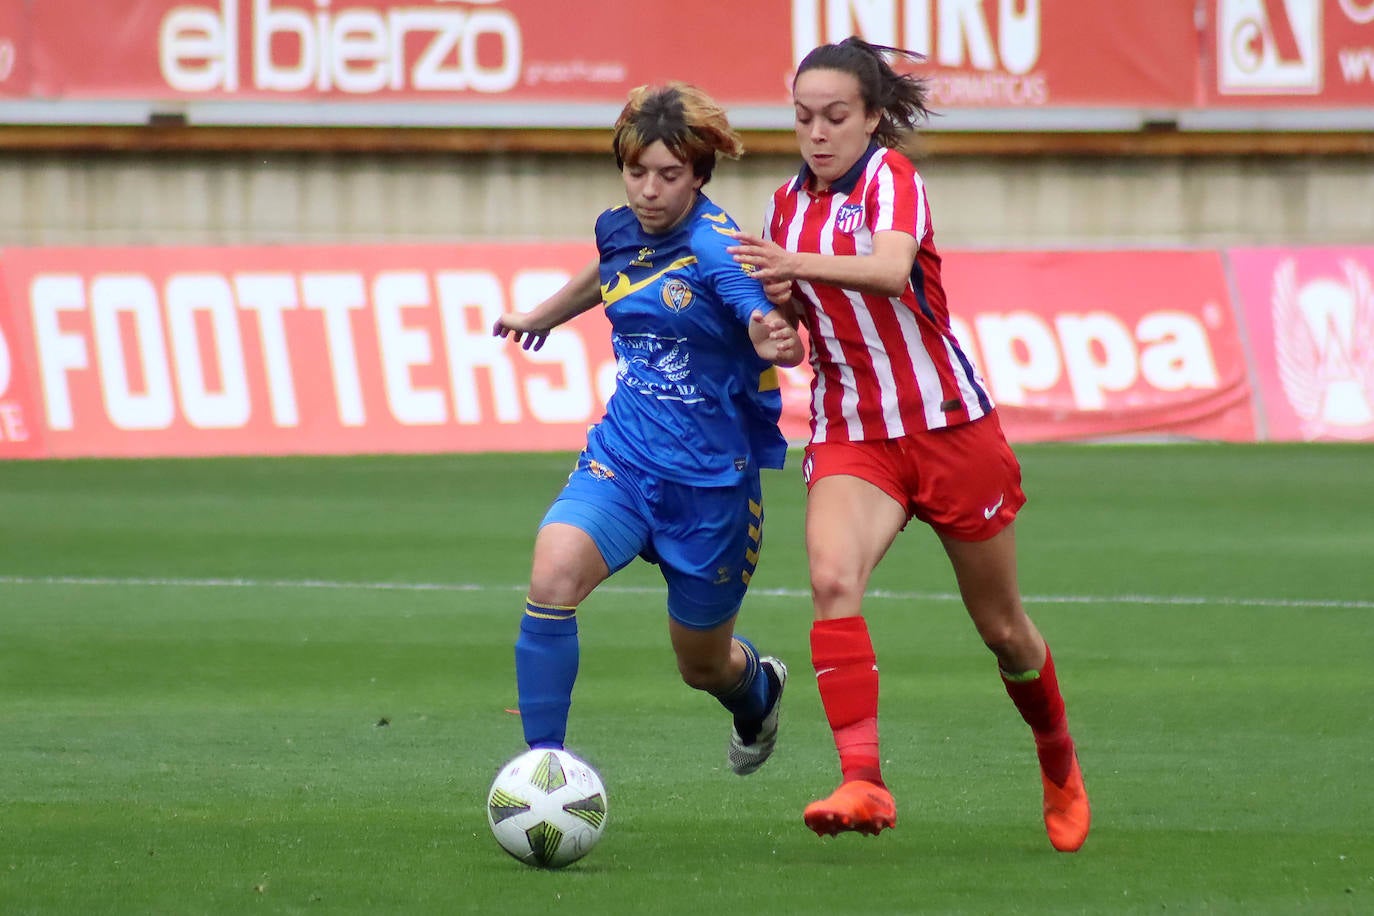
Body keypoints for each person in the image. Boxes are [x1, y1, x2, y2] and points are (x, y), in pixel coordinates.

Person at [727, 37, 1091, 851]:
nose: (817, 134)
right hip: (856, 430)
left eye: (835, 117)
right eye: (802, 119)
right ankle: (864, 780)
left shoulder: (893, 180)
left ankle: (1057, 755)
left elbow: (891, 271)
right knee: (831, 578)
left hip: (950, 426)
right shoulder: (785, 205)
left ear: (873, 118)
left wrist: (791, 264)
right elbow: (791, 319)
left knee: (1003, 630)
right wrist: (775, 329)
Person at [493, 83, 804, 779]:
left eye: (669, 175)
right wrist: (543, 315)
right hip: (625, 460)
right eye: (637, 173)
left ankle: (759, 689)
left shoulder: (716, 246)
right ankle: (544, 773)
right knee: (552, 574)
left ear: (699, 174)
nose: (649, 191)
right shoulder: (618, 227)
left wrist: (769, 333)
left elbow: (748, 302)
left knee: (701, 665)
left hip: (711, 488)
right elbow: (607, 272)